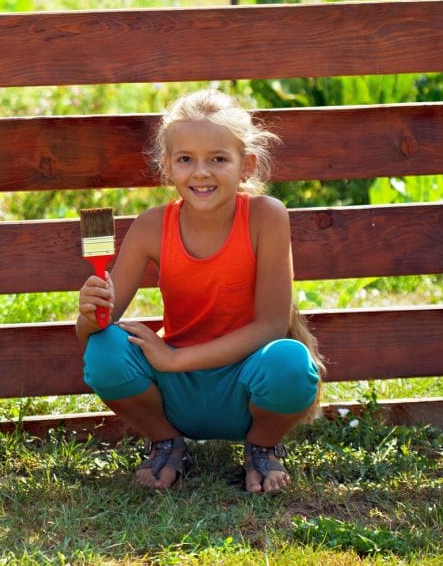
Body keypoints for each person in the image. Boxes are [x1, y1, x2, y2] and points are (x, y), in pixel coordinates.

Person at [76, 89, 324, 494]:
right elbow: (91, 335)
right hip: (177, 397)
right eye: (185, 159)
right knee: (104, 349)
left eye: (218, 159)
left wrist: (176, 359)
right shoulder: (152, 226)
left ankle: (262, 447)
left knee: (290, 362)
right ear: (167, 167)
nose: (201, 172)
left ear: (247, 166)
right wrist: (90, 312)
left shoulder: (266, 217)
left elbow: (272, 325)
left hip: (245, 385)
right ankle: (166, 443)